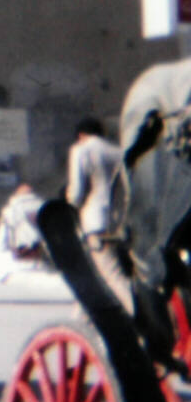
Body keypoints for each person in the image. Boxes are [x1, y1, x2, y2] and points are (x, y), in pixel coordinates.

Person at [67, 115, 129, 306]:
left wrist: (70, 204)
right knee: (118, 273)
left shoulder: (81, 150)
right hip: (120, 222)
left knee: (113, 277)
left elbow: (76, 193)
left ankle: (140, 319)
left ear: (81, 135)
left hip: (95, 222)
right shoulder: (118, 152)